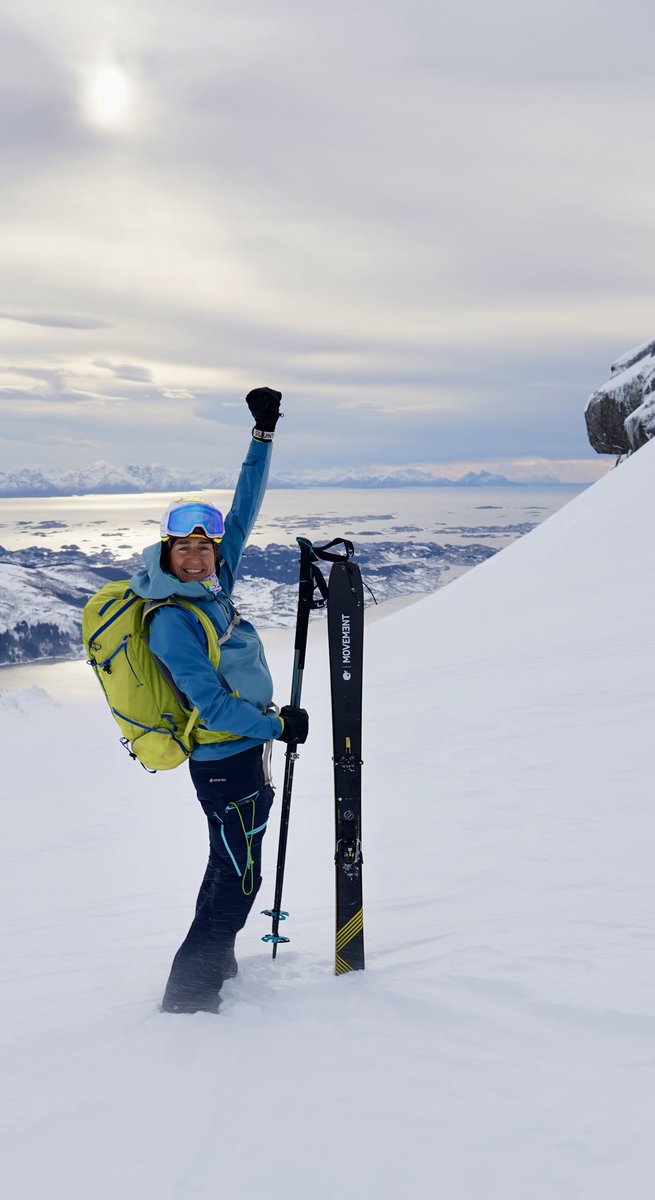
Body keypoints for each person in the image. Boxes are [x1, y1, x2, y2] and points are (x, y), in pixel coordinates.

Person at [129, 387, 309, 1013]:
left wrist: (261, 438)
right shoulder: (173, 619)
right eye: (186, 547)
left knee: (227, 864)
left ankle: (218, 967)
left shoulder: (213, 586)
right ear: (167, 555)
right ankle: (190, 998)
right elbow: (208, 703)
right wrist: (275, 726)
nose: (201, 553)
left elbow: (244, 511)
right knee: (240, 879)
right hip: (225, 760)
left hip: (243, 754)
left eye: (205, 546)